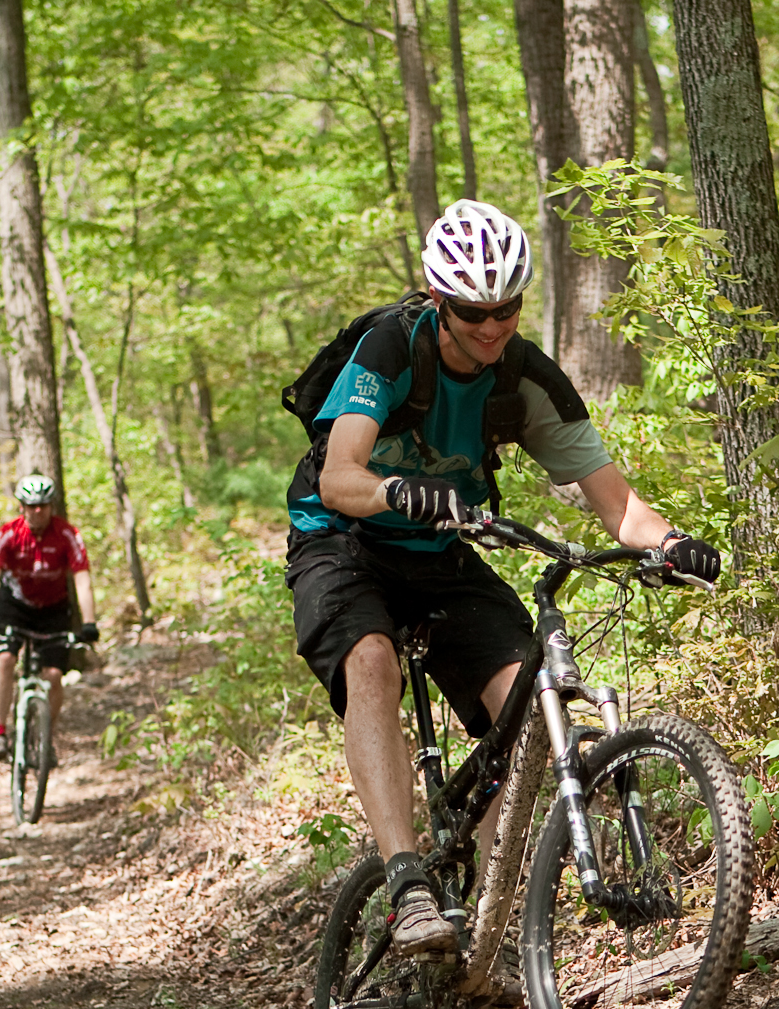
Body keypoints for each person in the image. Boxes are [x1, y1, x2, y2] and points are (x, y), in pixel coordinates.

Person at [287, 199, 721, 954]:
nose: (490, 327)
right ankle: (407, 882)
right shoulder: (391, 350)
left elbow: (618, 507)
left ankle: (491, 921)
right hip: (343, 541)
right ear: (438, 300)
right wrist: (398, 492)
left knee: (525, 697)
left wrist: (673, 542)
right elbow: (338, 476)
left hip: (441, 554)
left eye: (507, 309)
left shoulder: (525, 380)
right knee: (371, 660)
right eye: (472, 311)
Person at [0, 474, 98, 762]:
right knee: (5, 659)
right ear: (22, 507)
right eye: (31, 506)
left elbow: (82, 580)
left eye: (43, 505)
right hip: (14, 606)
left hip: (54, 610)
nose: (38, 511)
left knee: (54, 676)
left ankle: (46, 737)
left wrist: (90, 623)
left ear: (51, 506)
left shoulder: (67, 534)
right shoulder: (8, 533)